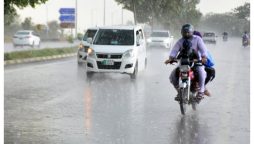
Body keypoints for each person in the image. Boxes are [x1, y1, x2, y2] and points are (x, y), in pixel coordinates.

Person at [165, 24, 208, 101]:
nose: (186, 34)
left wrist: (204, 57)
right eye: (184, 32)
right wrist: (171, 58)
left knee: (202, 72)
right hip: (183, 64)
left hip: (195, 63)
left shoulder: (197, 39)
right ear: (182, 33)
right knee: (172, 76)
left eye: (188, 32)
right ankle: (179, 92)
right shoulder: (180, 41)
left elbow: (203, 50)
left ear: (192, 32)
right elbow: (174, 51)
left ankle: (201, 92)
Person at [193, 30, 215, 96]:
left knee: (211, 71)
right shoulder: (185, 44)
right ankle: (203, 88)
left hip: (198, 65)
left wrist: (203, 60)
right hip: (188, 65)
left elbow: (209, 60)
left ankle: (203, 87)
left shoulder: (202, 47)